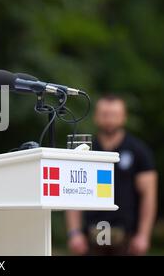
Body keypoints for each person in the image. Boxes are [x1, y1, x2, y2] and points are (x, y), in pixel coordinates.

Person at [65, 94, 157, 255]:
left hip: (127, 238)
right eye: (104, 114)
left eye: (114, 115)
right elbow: (73, 192)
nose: (109, 120)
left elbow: (148, 195)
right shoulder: (85, 150)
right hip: (90, 238)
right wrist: (74, 232)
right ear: (96, 117)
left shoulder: (139, 151)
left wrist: (143, 235)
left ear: (124, 117)